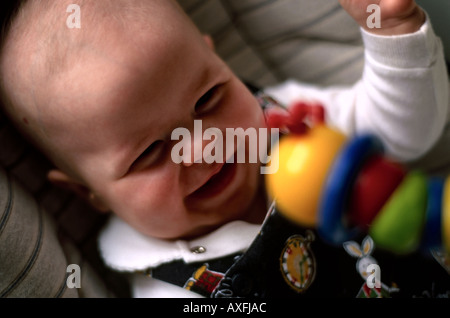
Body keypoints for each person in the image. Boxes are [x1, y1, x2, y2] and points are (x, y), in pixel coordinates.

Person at [0, 0, 448, 298]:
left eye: (208, 99)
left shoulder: (289, 121)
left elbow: (406, 133)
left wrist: (394, 34)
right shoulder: (174, 290)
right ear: (88, 194)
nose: (202, 146)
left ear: (219, 62)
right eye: (148, 153)